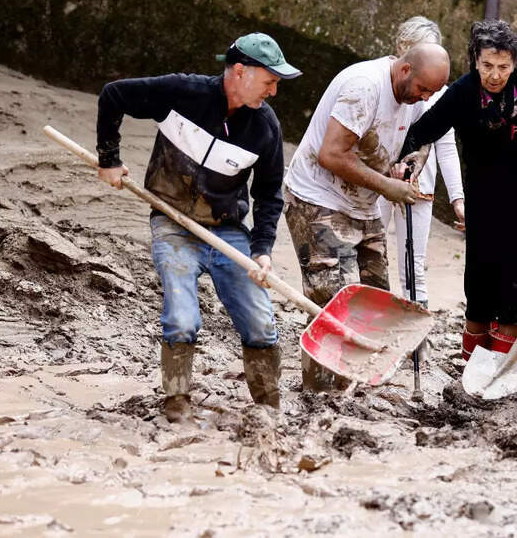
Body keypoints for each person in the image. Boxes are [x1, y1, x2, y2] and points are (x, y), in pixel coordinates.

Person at [95, 33, 301, 421]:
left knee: (260, 322)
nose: (274, 92)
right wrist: (109, 158)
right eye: (270, 81)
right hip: (171, 222)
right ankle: (176, 403)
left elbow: (270, 195)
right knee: (182, 317)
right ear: (239, 72)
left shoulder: (265, 128)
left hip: (227, 230)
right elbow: (113, 95)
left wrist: (262, 249)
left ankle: (268, 408)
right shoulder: (181, 93)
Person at [283, 42, 450, 390]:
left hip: (363, 204)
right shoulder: (364, 86)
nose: (423, 99)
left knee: (376, 297)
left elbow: (425, 135)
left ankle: (359, 381)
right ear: (405, 70)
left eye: (430, 94)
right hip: (318, 199)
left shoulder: (415, 96)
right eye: (421, 90)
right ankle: (321, 392)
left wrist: (412, 162)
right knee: (333, 299)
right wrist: (387, 187)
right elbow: (332, 153)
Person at [395, 20, 517, 364]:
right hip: (484, 199)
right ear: (474, 61)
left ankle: (497, 365)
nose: (495, 75)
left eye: (503, 66)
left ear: (515, 64)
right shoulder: (463, 92)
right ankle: (471, 365)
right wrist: (412, 158)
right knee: (482, 281)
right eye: (487, 66)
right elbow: (422, 130)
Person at [375, 16, 466, 307]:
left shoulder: (440, 92)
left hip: (418, 187)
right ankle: (373, 318)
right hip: (378, 180)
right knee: (371, 252)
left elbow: (447, 147)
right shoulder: (380, 80)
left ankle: (416, 337)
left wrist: (458, 199)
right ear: (403, 48)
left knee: (413, 263)